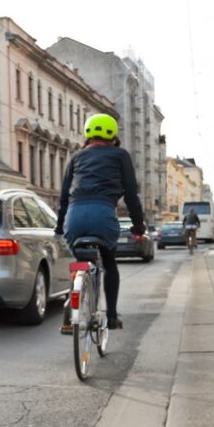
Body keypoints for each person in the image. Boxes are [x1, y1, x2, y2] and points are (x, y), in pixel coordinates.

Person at [56, 113, 146, 331]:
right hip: (103, 215)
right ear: (113, 135)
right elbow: (131, 195)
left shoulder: (76, 157)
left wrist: (59, 227)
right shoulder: (120, 155)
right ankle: (112, 317)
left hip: (74, 218)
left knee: (78, 263)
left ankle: (72, 307)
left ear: (87, 134)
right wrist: (138, 226)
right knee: (109, 262)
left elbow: (64, 196)